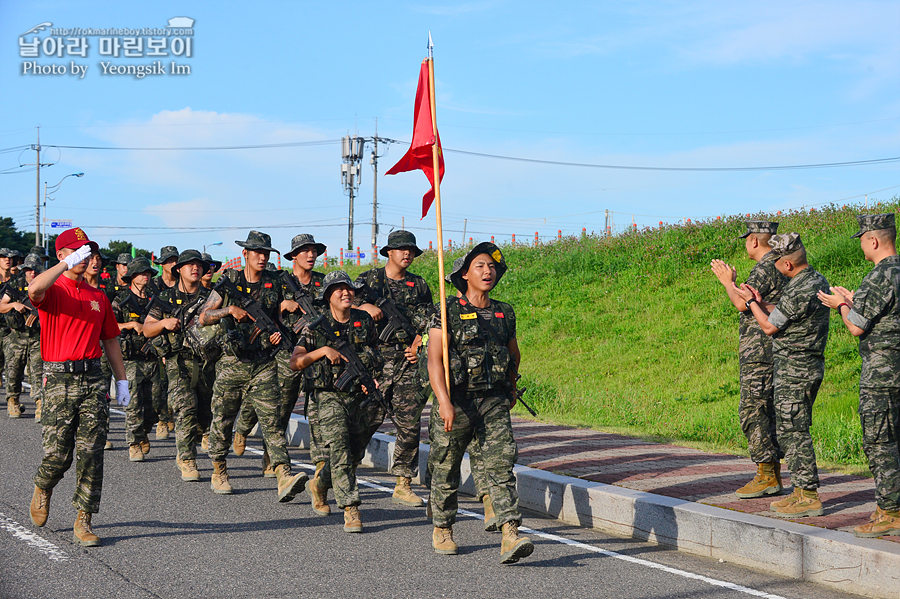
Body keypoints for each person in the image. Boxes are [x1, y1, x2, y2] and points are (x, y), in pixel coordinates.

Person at [426, 241, 534, 563]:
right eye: (480, 266)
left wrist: (511, 387)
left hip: (493, 401)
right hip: (456, 401)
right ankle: (443, 527)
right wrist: (444, 402)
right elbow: (434, 360)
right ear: (464, 274)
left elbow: (514, 354)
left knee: (501, 464)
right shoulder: (446, 311)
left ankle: (510, 533)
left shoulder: (504, 312)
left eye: (491, 267)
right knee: (446, 468)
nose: (488, 271)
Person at [27, 227, 129, 547]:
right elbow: (34, 289)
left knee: (92, 451)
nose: (86, 256)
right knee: (59, 454)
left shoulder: (98, 296)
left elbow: (110, 340)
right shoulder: (54, 289)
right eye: (79, 251)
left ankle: (84, 517)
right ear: (63, 255)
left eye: (88, 251)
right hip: (59, 378)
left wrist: (122, 379)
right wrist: (63, 264)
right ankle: (44, 486)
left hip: (94, 378)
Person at [198, 231, 307, 501]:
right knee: (222, 420)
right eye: (256, 252)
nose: (262, 257)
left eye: (266, 253)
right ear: (245, 254)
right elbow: (204, 316)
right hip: (232, 363)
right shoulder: (229, 282)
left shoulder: (276, 282)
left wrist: (278, 333)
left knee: (272, 422)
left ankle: (283, 474)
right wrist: (229, 311)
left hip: (264, 363)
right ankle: (219, 469)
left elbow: (280, 317)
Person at [736, 232, 830, 518]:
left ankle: (809, 495)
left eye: (776, 261)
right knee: (792, 428)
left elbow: (768, 327)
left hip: (797, 368)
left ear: (787, 265)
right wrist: (760, 302)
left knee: (794, 431)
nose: (773, 266)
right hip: (800, 366)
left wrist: (751, 302)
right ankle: (801, 492)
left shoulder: (799, 287)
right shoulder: (813, 279)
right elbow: (782, 313)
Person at [818, 214, 900, 537]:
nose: (862, 244)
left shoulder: (880, 275)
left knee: (880, 441)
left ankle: (890, 512)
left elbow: (856, 326)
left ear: (874, 240)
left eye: (863, 238)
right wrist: (853, 301)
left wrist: (840, 305)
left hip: (881, 375)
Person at [291, 271, 382, 532]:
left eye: (349, 289)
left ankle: (319, 484)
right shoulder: (315, 324)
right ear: (328, 296)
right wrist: (322, 351)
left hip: (360, 395)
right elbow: (295, 362)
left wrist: (371, 376)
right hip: (329, 395)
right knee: (340, 447)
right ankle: (351, 508)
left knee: (353, 453)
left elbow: (375, 352)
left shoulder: (363, 320)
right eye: (339, 289)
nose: (346, 293)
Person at [233, 234, 326, 478]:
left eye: (314, 251)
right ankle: (261, 448)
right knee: (280, 408)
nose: (311, 255)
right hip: (284, 351)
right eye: (305, 251)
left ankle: (320, 466)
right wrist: (283, 305)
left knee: (317, 407)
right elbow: (258, 306)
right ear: (293, 256)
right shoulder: (280, 281)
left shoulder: (323, 282)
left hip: (314, 352)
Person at [353, 230, 433, 508]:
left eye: (410, 249)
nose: (407, 254)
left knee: (410, 425)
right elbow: (342, 304)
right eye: (401, 249)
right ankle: (342, 474)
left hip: (408, 362)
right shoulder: (369, 280)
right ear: (388, 252)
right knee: (366, 420)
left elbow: (431, 321)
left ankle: (403, 483)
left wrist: (418, 343)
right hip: (376, 361)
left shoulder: (419, 285)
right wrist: (364, 306)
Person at [711, 221, 787, 498]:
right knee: (770, 411)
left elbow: (743, 302)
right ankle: (772, 474)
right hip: (774, 351)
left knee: (753, 410)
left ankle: (766, 474)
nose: (745, 244)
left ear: (754, 240)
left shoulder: (765, 268)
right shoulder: (782, 264)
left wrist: (727, 282)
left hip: (760, 354)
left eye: (746, 239)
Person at [144, 249, 214, 482]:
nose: (195, 268)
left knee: (205, 415)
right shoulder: (165, 298)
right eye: (189, 265)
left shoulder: (212, 297)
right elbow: (147, 329)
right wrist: (163, 322)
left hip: (207, 363)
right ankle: (187, 459)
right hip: (178, 362)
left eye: (199, 265)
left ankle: (190, 441)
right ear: (179, 270)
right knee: (185, 408)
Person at [112, 257, 164, 463]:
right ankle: (134, 443)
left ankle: (143, 431)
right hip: (132, 359)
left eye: (148, 273)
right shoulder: (120, 300)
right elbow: (109, 327)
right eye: (142, 273)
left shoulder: (156, 299)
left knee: (157, 404)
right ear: (132, 277)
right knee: (134, 404)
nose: (146, 276)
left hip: (154, 357)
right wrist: (130, 324)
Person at [0, 254, 45, 418]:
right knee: (13, 371)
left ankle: (40, 404)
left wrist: (39, 311)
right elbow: (1, 305)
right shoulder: (15, 285)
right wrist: (14, 304)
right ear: (24, 270)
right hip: (17, 335)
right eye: (28, 269)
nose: (32, 273)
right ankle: (13, 400)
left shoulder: (47, 286)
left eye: (35, 269)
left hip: (38, 337)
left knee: (38, 372)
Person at [85, 251, 114, 450]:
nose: (95, 262)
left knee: (103, 393)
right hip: (86, 346)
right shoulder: (77, 286)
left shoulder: (108, 289)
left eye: (98, 259)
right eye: (91, 258)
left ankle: (103, 432)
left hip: (106, 343)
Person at [150, 245, 179, 439]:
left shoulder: (182, 284)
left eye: (176, 260)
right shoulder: (153, 285)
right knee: (157, 386)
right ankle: (161, 418)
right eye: (169, 260)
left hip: (176, 341)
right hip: (155, 338)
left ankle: (169, 416)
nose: (173, 264)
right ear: (162, 264)